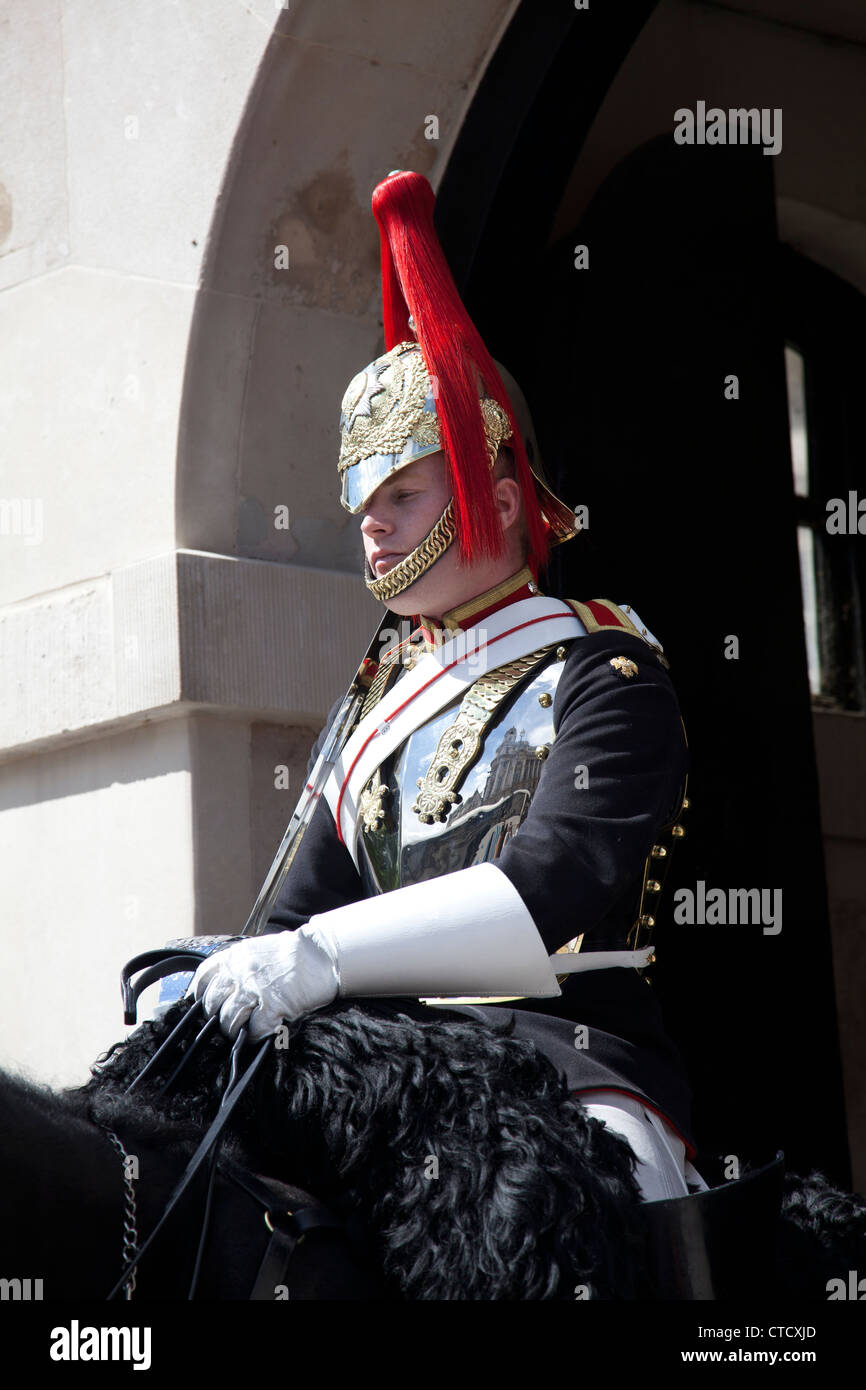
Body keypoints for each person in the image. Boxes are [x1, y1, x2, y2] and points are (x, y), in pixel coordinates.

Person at [192, 170, 705, 1201]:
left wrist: (322, 957)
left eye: (402, 490)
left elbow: (548, 884)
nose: (371, 522)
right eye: (359, 499)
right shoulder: (376, 713)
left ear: (500, 497)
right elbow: (287, 920)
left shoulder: (600, 671)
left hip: (569, 1060)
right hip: (386, 1072)